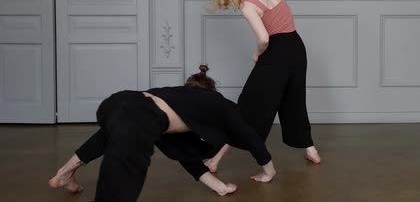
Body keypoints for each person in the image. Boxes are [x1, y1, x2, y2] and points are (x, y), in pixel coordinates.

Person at [48, 65, 276, 201]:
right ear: (210, 91)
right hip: (140, 114)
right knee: (123, 178)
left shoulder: (172, 106)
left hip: (117, 101)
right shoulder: (218, 102)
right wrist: (269, 170)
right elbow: (248, 134)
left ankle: (64, 172)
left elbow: (187, 157)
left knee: (111, 134)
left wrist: (221, 187)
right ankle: (66, 175)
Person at [205, 0, 321, 173]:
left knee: (248, 105)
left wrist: (259, 53)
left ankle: (214, 161)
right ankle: (311, 151)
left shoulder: (248, 5)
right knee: (294, 100)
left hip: (276, 51)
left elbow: (264, 38)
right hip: (297, 48)